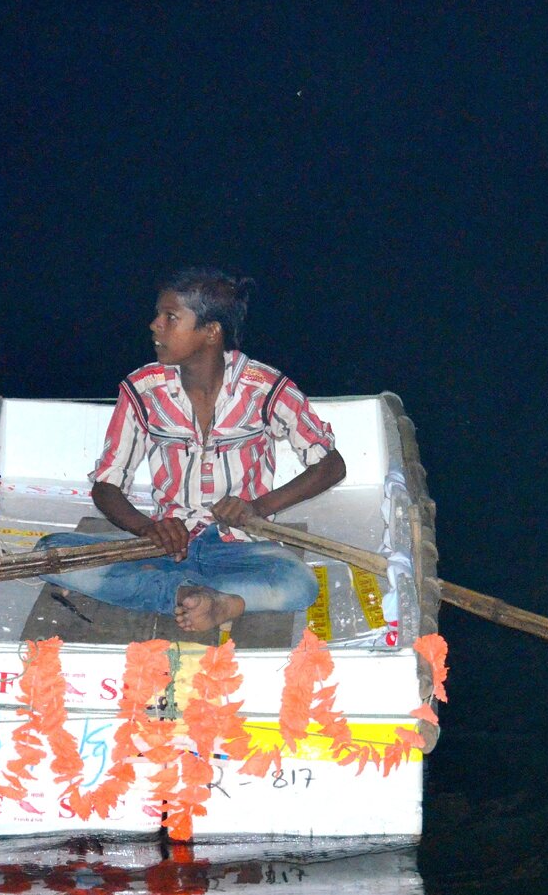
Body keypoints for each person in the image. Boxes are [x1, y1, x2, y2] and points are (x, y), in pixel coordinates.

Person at [37, 267, 346, 632]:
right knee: (50, 553)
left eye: (170, 318)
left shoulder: (264, 388)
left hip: (240, 550)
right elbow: (106, 485)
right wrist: (148, 528)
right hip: (168, 547)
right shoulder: (142, 390)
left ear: (211, 332)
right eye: (158, 315)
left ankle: (181, 595)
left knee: (299, 583)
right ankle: (204, 598)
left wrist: (257, 508)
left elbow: (331, 465)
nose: (155, 325)